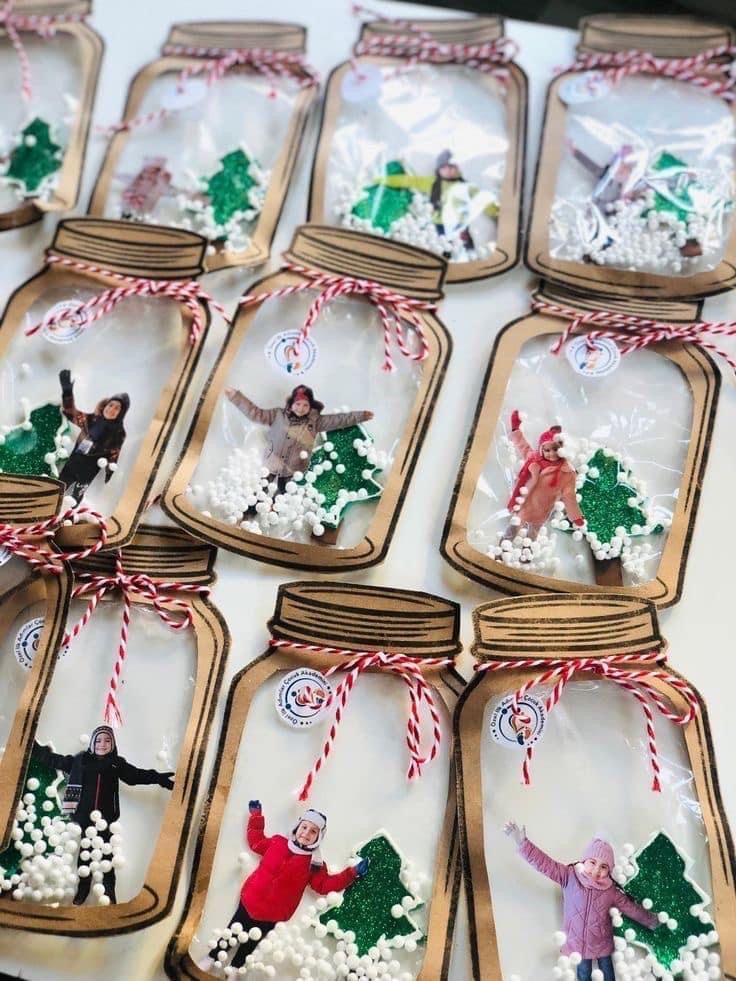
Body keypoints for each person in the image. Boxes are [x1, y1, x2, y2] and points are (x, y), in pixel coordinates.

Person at [199, 801, 369, 972]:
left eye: (313, 831)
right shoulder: (278, 842)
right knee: (233, 930)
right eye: (304, 827)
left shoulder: (315, 862)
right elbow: (256, 842)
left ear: (318, 837)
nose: (306, 833)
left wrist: (352, 873)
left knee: (252, 942)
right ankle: (212, 957)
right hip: (251, 899)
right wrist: (256, 817)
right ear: (297, 827)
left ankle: (235, 969)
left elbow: (324, 885)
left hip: (274, 912)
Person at [34, 725, 174, 904]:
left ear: (113, 744)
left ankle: (110, 893)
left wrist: (159, 778)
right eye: (98, 740)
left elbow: (135, 776)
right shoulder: (80, 761)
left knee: (107, 856)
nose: (102, 744)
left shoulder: (116, 764)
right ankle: (82, 891)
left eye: (107, 740)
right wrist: (35, 750)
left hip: (107, 819)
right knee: (85, 855)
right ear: (92, 742)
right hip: (85, 817)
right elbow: (57, 761)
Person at [504, 822, 659, 981]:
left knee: (608, 976)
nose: (597, 870)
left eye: (603, 866)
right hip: (579, 947)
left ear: (609, 870)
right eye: (593, 862)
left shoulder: (611, 890)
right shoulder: (569, 876)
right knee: (583, 975)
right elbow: (545, 864)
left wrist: (653, 920)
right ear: (584, 860)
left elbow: (631, 908)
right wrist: (523, 844)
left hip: (602, 945)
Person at [225, 384, 373, 494]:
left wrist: (361, 415)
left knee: (282, 497)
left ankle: (273, 519)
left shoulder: (316, 422)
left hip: (293, 468)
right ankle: (245, 516)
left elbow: (339, 420)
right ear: (291, 404)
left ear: (310, 407)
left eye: (305, 405)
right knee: (259, 492)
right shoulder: (277, 415)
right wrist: (235, 397)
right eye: (298, 404)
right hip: (271, 462)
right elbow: (255, 413)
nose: (301, 408)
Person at [375, 149, 499, 253]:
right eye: (445, 167)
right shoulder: (432, 183)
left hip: (459, 224)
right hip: (437, 224)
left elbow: (483, 200)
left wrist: (497, 213)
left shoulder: (467, 187)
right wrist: (382, 179)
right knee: (438, 246)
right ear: (439, 169)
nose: (449, 170)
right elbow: (408, 181)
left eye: (452, 167)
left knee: (462, 246)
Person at [505, 410, 584, 543]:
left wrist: (576, 517)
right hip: (524, 505)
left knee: (532, 537)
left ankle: (526, 558)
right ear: (541, 450)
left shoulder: (566, 472)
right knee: (512, 530)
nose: (551, 454)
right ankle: (501, 552)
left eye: (555, 449)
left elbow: (569, 496)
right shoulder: (534, 459)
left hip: (542, 511)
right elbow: (523, 446)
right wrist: (515, 428)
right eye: (547, 450)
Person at [57, 369, 129, 504]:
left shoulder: (119, 433)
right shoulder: (90, 420)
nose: (112, 409)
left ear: (121, 413)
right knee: (55, 492)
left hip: (87, 473)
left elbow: (114, 454)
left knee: (73, 502)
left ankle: (67, 521)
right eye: (111, 405)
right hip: (72, 465)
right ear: (105, 405)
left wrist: (109, 472)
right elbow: (70, 412)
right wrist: (67, 391)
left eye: (117, 408)